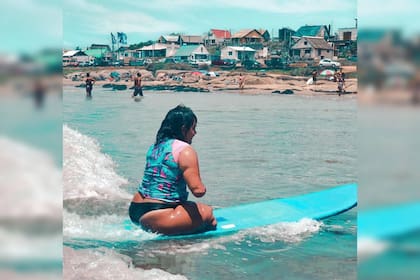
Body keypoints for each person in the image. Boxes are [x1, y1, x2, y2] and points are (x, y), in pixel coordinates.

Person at [129, 105, 217, 235]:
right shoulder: (185, 150)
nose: (194, 133)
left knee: (192, 208)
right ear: (183, 129)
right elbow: (198, 191)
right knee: (208, 214)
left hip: (135, 210)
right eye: (193, 128)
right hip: (161, 215)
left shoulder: (155, 147)